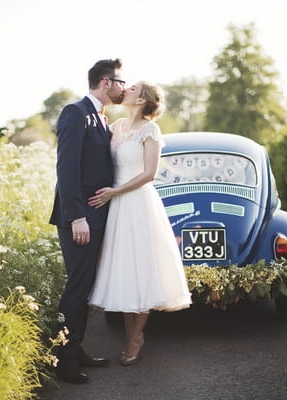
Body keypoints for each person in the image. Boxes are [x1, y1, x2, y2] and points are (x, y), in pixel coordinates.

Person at [88, 81, 192, 366]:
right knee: (124, 269)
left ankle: (135, 338)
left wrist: (115, 192)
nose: (127, 89)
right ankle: (130, 335)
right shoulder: (116, 126)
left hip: (138, 202)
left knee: (142, 268)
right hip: (116, 205)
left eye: (132, 88)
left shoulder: (151, 130)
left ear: (142, 99)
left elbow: (149, 174)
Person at [49, 58, 125, 384]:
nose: (124, 87)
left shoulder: (100, 118)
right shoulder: (76, 113)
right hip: (79, 218)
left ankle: (74, 347)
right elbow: (66, 170)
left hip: (95, 215)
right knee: (77, 287)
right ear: (106, 82)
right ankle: (61, 360)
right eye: (121, 81)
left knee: (85, 285)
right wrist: (77, 216)